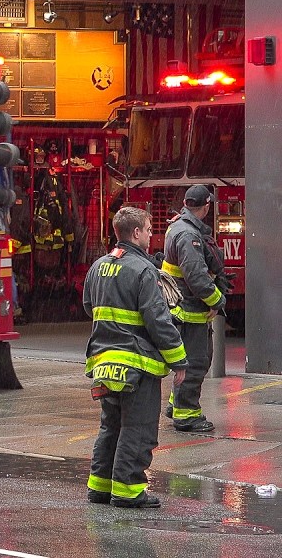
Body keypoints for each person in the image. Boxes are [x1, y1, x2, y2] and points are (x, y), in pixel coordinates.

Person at [83, 206, 187, 509]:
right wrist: (179, 360)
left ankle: (100, 487)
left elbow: (90, 306)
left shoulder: (98, 267)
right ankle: (128, 491)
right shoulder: (144, 271)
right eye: (149, 229)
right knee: (137, 428)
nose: (152, 235)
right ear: (136, 232)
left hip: (103, 364)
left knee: (111, 426)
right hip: (137, 365)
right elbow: (158, 320)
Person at [160, 184, 224, 433]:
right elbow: (196, 277)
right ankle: (187, 416)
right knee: (195, 363)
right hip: (190, 311)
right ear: (206, 207)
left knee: (189, 361)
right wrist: (217, 301)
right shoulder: (188, 235)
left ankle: (175, 404)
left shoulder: (177, 226)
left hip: (181, 307)